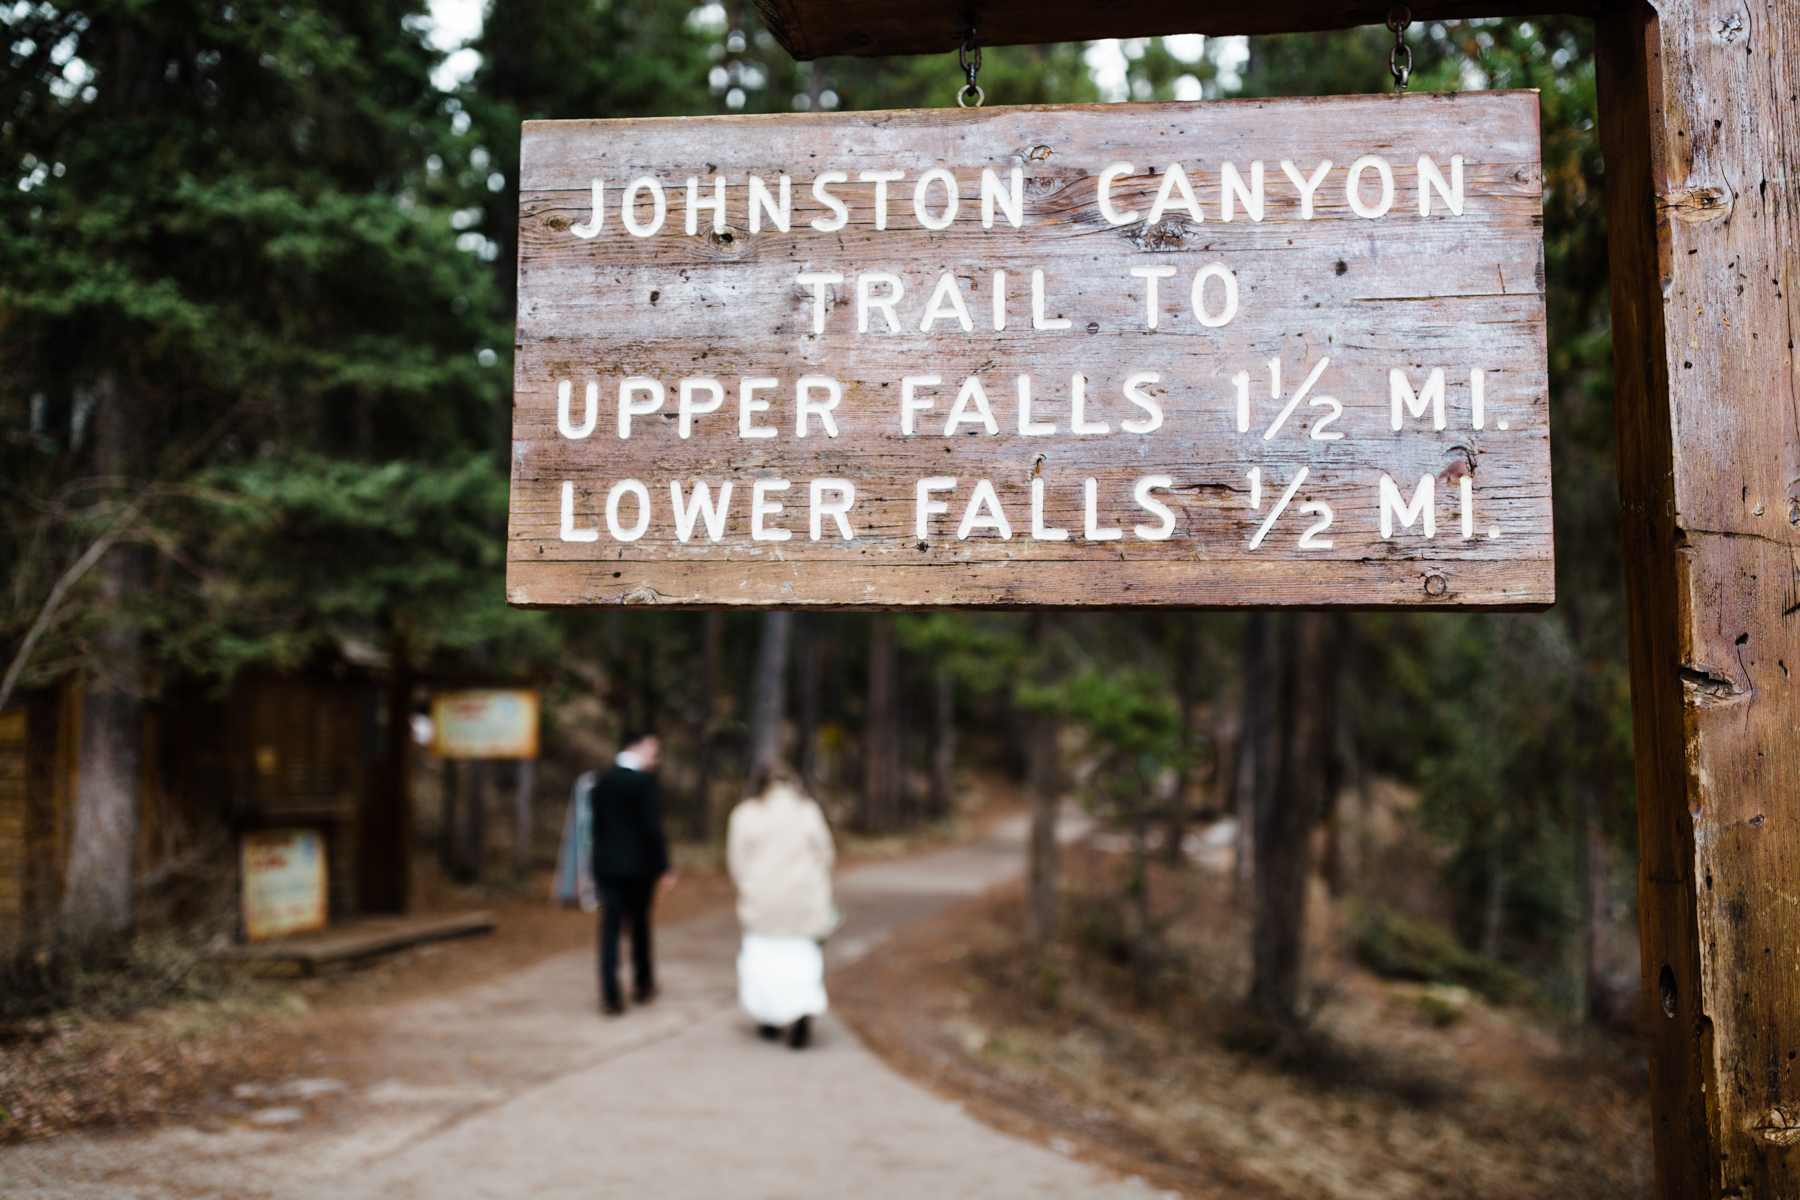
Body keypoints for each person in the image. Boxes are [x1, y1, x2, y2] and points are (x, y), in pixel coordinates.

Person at [726, 761, 837, 1049]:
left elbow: (737, 862)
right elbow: (825, 853)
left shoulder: (745, 814)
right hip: (802, 899)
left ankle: (769, 1016)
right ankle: (800, 1010)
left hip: (763, 900)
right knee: (801, 959)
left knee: (763, 959)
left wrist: (750, 886)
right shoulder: (807, 811)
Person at [589, 729, 671, 1016]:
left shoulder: (601, 781)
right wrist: (663, 866)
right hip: (639, 869)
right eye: (653, 749)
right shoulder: (644, 783)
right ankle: (642, 983)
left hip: (607, 867)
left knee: (609, 929)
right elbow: (653, 830)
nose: (656, 756)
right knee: (639, 926)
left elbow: (596, 829)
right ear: (636, 747)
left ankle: (610, 993)